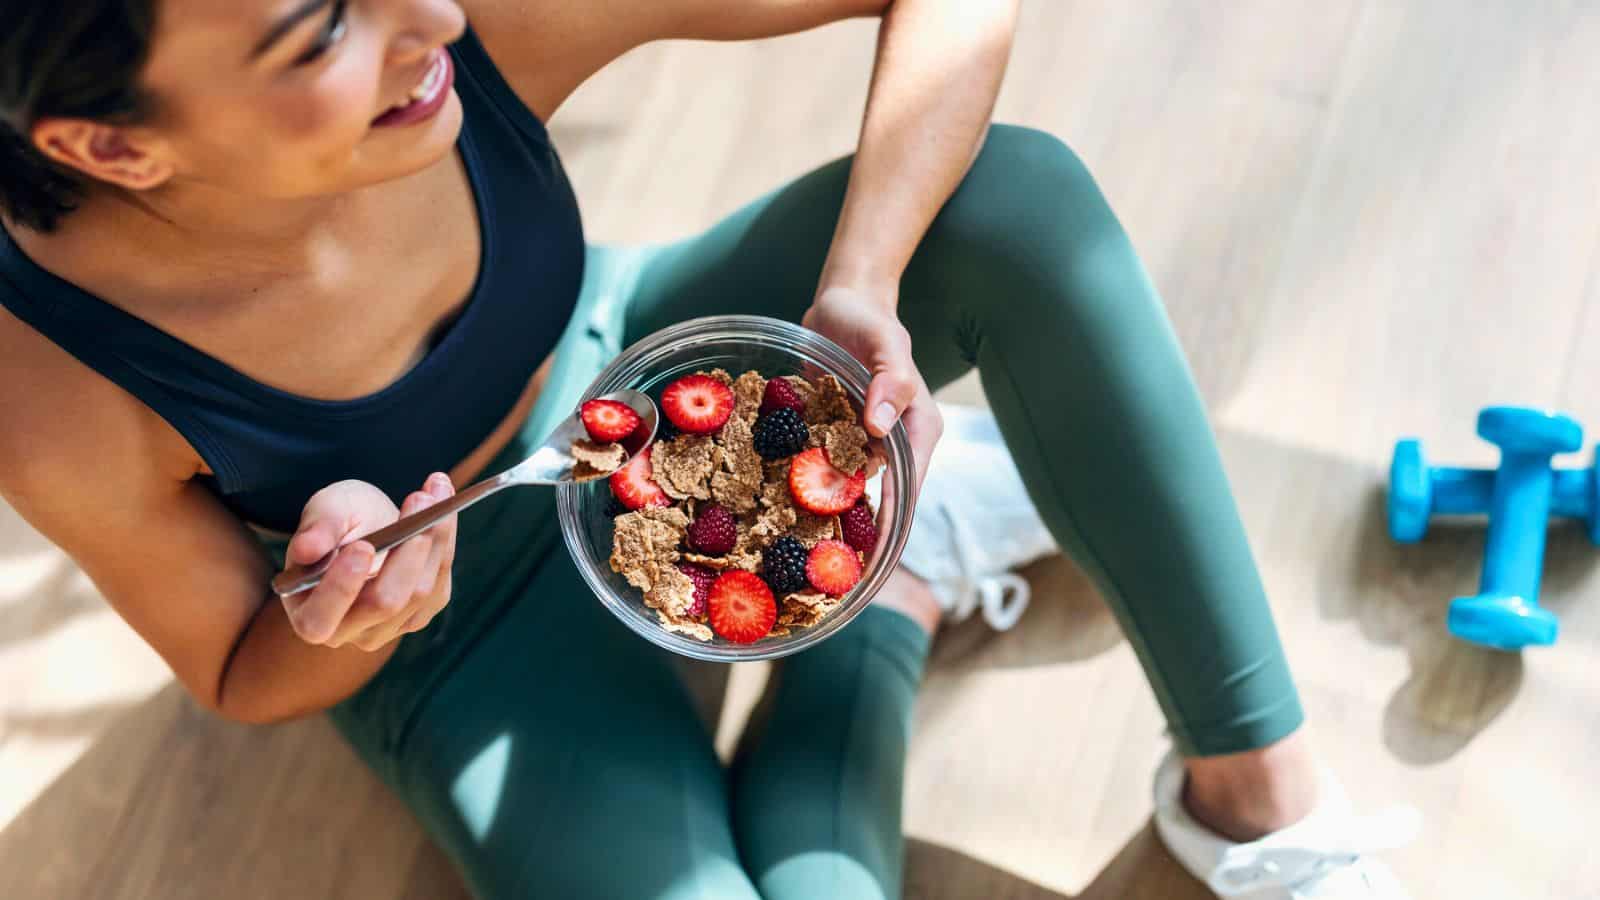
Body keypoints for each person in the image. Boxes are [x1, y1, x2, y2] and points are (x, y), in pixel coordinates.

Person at [0, 1, 1416, 898]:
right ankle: (892, 598)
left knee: (1019, 205)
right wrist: (356, 611)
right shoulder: (47, 382)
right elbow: (247, 670)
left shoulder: (454, 25)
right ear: (113, 148)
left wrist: (859, 277)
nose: (427, 15)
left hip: (631, 371)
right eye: (320, 30)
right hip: (458, 643)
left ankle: (1255, 802)